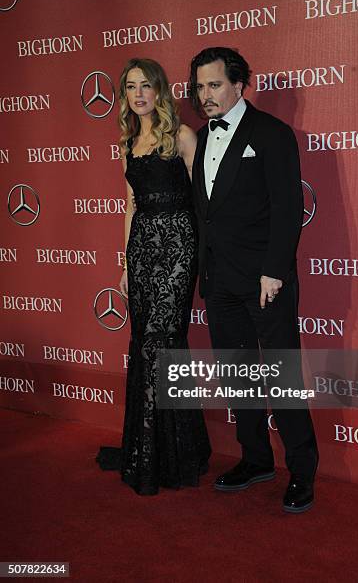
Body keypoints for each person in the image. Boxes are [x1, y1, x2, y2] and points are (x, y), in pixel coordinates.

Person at [189, 47, 318, 513]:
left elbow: (287, 208)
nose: (206, 94)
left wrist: (274, 271)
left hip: (266, 281)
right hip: (220, 280)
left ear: (239, 85)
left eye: (215, 84)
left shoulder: (272, 133)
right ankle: (256, 458)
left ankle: (302, 471)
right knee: (238, 377)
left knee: (282, 378)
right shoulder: (202, 138)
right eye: (200, 86)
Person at [96, 58, 211, 495]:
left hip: (178, 245)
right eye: (130, 87)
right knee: (144, 342)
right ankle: (149, 448)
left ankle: (177, 453)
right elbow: (129, 206)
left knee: (164, 342)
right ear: (124, 95)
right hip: (142, 248)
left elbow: (204, 201)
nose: (138, 94)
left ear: (160, 90)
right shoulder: (128, 142)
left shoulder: (182, 136)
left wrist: (200, 254)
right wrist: (126, 264)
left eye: (146, 85)